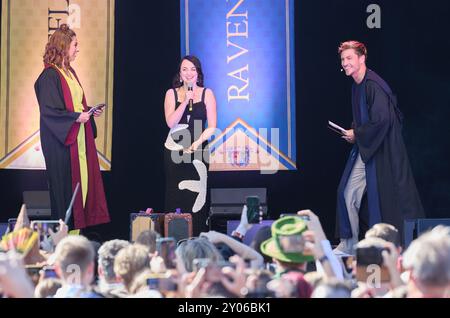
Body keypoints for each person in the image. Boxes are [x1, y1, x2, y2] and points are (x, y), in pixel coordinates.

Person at [335, 41, 424, 254]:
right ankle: (349, 244)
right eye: (343, 59)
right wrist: (355, 133)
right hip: (367, 147)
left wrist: (357, 134)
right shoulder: (357, 85)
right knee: (346, 192)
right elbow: (367, 119)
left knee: (391, 198)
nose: (345, 63)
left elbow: (382, 121)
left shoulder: (372, 85)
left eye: (349, 58)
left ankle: (396, 247)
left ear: (362, 58)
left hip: (383, 150)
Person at [34, 24, 110, 229]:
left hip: (79, 142)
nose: (78, 49)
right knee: (67, 195)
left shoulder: (69, 72)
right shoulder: (49, 76)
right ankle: (65, 247)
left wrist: (89, 112)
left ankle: (75, 244)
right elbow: (50, 111)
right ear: (63, 46)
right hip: (63, 145)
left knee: (82, 190)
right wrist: (77, 117)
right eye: (75, 45)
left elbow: (74, 105)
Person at [163, 55, 217, 235]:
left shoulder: (207, 93)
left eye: (193, 69)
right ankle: (176, 239)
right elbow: (171, 123)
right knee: (176, 195)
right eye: (185, 69)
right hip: (175, 150)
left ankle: (199, 239)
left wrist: (197, 143)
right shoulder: (171, 93)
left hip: (199, 149)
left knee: (198, 197)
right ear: (179, 73)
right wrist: (186, 100)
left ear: (198, 73)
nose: (189, 73)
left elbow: (212, 126)